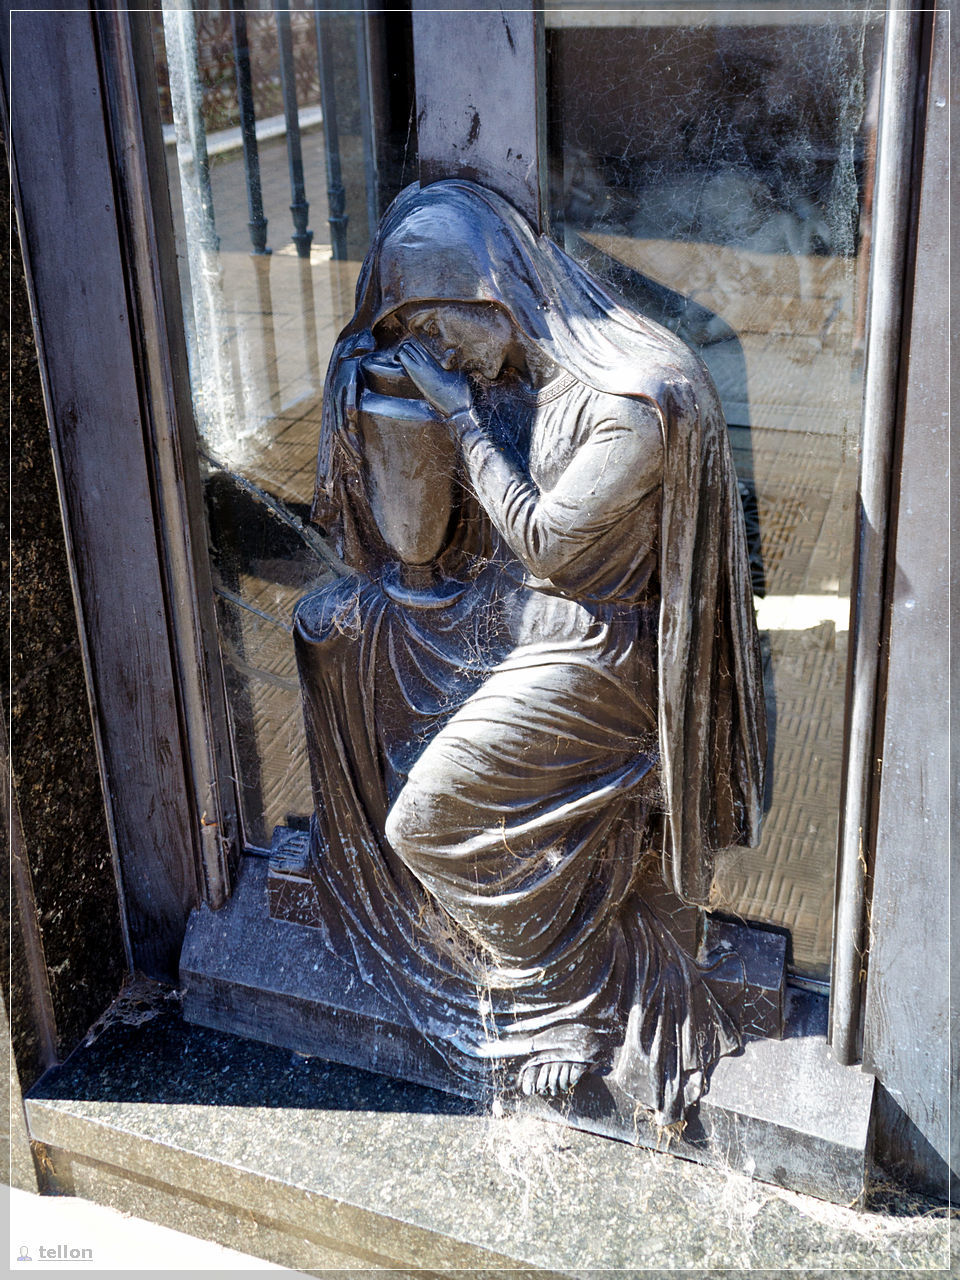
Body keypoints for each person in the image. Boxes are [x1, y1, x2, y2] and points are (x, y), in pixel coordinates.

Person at [295, 179, 766, 1124]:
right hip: (538, 624)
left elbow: (549, 541)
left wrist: (461, 416)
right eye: (421, 341)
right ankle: (536, 930)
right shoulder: (533, 376)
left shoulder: (637, 399)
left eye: (442, 334)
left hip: (607, 657)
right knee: (342, 633)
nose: (440, 360)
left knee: (422, 825)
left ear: (495, 293)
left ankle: (569, 994)